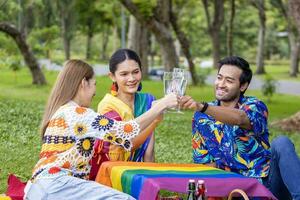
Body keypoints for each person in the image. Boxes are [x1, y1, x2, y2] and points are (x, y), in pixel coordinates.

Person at [24, 59, 178, 200]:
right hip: (56, 186)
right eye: (94, 84)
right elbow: (125, 131)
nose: (95, 92)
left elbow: (125, 139)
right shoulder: (78, 114)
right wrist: (161, 105)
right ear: (84, 82)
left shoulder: (65, 111)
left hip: (39, 188)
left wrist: (155, 115)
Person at [180, 56, 300, 200]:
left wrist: (203, 107)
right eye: (219, 78)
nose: (221, 84)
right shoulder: (201, 117)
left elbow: (240, 118)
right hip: (236, 190)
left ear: (243, 86)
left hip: (270, 184)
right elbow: (205, 163)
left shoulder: (255, 106)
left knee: (281, 142)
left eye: (229, 81)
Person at [90, 49, 157, 180]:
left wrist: (151, 182)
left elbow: (149, 151)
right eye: (124, 74)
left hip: (137, 174)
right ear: (112, 76)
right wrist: (154, 120)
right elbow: (126, 143)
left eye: (135, 72)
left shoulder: (147, 101)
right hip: (111, 175)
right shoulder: (108, 106)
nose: (131, 79)